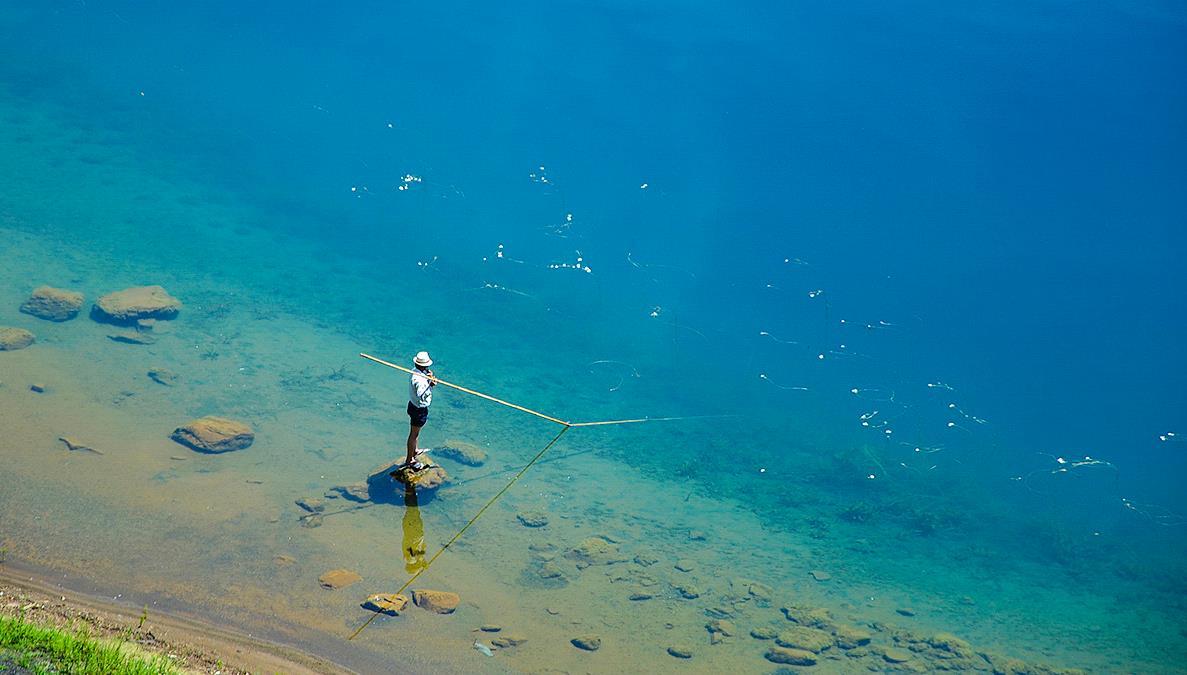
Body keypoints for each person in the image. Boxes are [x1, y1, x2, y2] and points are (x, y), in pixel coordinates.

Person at [403, 350, 435, 470]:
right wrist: (430, 383)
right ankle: (410, 460)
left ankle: (415, 450)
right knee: (413, 435)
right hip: (418, 409)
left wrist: (428, 377)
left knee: (415, 434)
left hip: (412, 405)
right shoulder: (419, 380)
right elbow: (421, 393)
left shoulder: (414, 371)